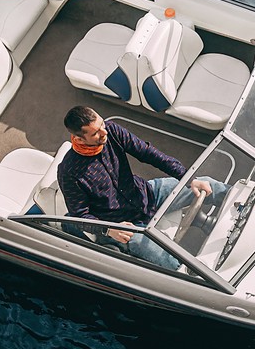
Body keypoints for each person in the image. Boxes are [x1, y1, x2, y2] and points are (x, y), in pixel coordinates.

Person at [57, 105, 223, 268]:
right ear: (79, 139)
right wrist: (109, 230)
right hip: (121, 226)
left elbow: (148, 153)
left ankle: (239, 202)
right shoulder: (68, 172)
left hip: (146, 194)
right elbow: (79, 215)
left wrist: (188, 178)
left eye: (102, 124)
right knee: (169, 262)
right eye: (95, 133)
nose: (104, 132)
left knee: (207, 183)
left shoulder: (112, 130)